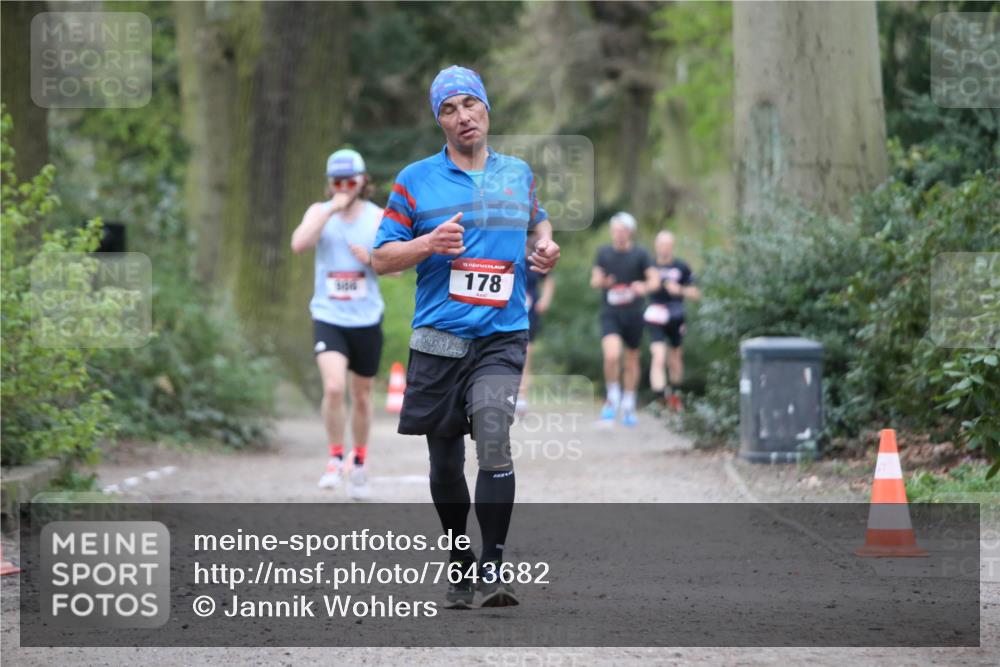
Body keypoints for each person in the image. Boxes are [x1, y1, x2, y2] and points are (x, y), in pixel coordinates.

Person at [371, 65, 560, 609]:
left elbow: (538, 221)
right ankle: (459, 558)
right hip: (439, 339)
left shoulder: (517, 174)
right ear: (439, 121)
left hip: (502, 334)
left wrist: (544, 246)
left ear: (486, 110)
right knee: (445, 465)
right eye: (449, 109)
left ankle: (495, 566)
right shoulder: (414, 180)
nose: (463, 117)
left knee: (495, 435)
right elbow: (382, 257)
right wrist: (428, 243)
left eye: (469, 105)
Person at [291, 148, 385, 500]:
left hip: (366, 318)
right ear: (329, 185)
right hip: (328, 316)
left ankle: (358, 461)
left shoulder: (377, 218)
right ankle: (334, 458)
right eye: (337, 182)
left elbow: (398, 265)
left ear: (363, 182)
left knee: (361, 394)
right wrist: (331, 208)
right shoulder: (319, 212)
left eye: (351, 181)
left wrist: (373, 259)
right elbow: (299, 244)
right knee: (333, 388)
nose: (345, 187)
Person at [590, 212, 659, 427]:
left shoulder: (640, 254)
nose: (618, 234)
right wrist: (603, 281)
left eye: (622, 230)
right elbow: (594, 281)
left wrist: (643, 287)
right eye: (615, 230)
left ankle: (629, 402)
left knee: (631, 359)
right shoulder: (604, 253)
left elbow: (655, 281)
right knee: (611, 356)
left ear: (629, 232)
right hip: (611, 312)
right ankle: (613, 397)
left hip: (634, 313)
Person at [646, 230, 699, 412]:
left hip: (676, 316)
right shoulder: (649, 266)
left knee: (675, 358)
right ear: (656, 246)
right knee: (658, 356)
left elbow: (696, 293)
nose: (664, 248)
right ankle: (660, 397)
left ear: (672, 246)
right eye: (661, 244)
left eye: (667, 245)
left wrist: (680, 290)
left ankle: (675, 395)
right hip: (655, 315)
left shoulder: (681, 266)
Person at [517, 237, 556, 415]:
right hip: (506, 312)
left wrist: (545, 300)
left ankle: (521, 396)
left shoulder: (535, 257)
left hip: (529, 313)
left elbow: (548, 279)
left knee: (526, 353)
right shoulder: (508, 255)